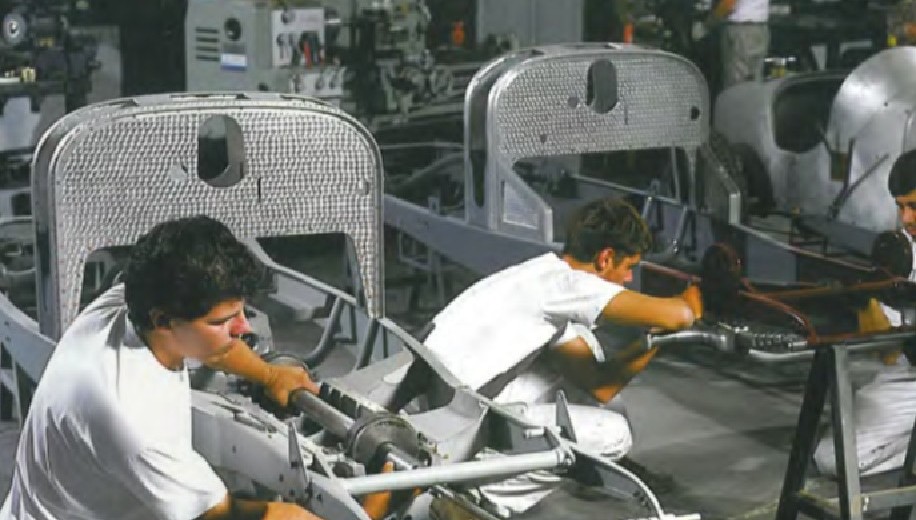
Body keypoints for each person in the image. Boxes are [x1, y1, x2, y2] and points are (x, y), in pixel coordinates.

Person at [1, 216, 323, 520]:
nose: (244, 328)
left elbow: (213, 347)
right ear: (163, 321)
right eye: (222, 321)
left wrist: (270, 375)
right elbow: (220, 515)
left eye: (241, 313)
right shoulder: (128, 411)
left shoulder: (132, 300)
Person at [422, 197, 702, 518]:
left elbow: (599, 386)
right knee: (614, 434)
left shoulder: (543, 272)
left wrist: (651, 340)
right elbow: (679, 314)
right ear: (605, 258)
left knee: (598, 391)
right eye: (628, 268)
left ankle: (577, 467)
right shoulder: (569, 285)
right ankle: (474, 498)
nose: (628, 279)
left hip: (444, 402)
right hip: (453, 427)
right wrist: (698, 296)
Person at [814, 150, 916, 477]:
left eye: (914, 206)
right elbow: (889, 353)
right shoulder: (906, 251)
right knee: (832, 458)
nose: (906, 219)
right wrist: (865, 298)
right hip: (909, 377)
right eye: (900, 207)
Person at [710, 0, 770, 88]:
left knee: (737, 81)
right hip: (760, 27)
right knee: (754, 79)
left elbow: (728, 4)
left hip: (741, 30)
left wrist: (708, 23)